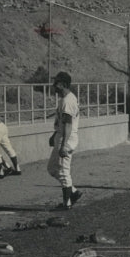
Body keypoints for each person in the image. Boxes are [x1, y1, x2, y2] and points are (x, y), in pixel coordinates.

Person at [48, 72, 83, 209]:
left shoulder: (68, 101)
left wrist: (63, 145)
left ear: (63, 84)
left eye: (56, 83)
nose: (53, 86)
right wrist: (54, 135)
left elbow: (68, 124)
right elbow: (62, 123)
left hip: (66, 138)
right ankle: (73, 192)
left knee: (63, 171)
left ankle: (66, 203)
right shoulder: (65, 99)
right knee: (52, 168)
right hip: (62, 135)